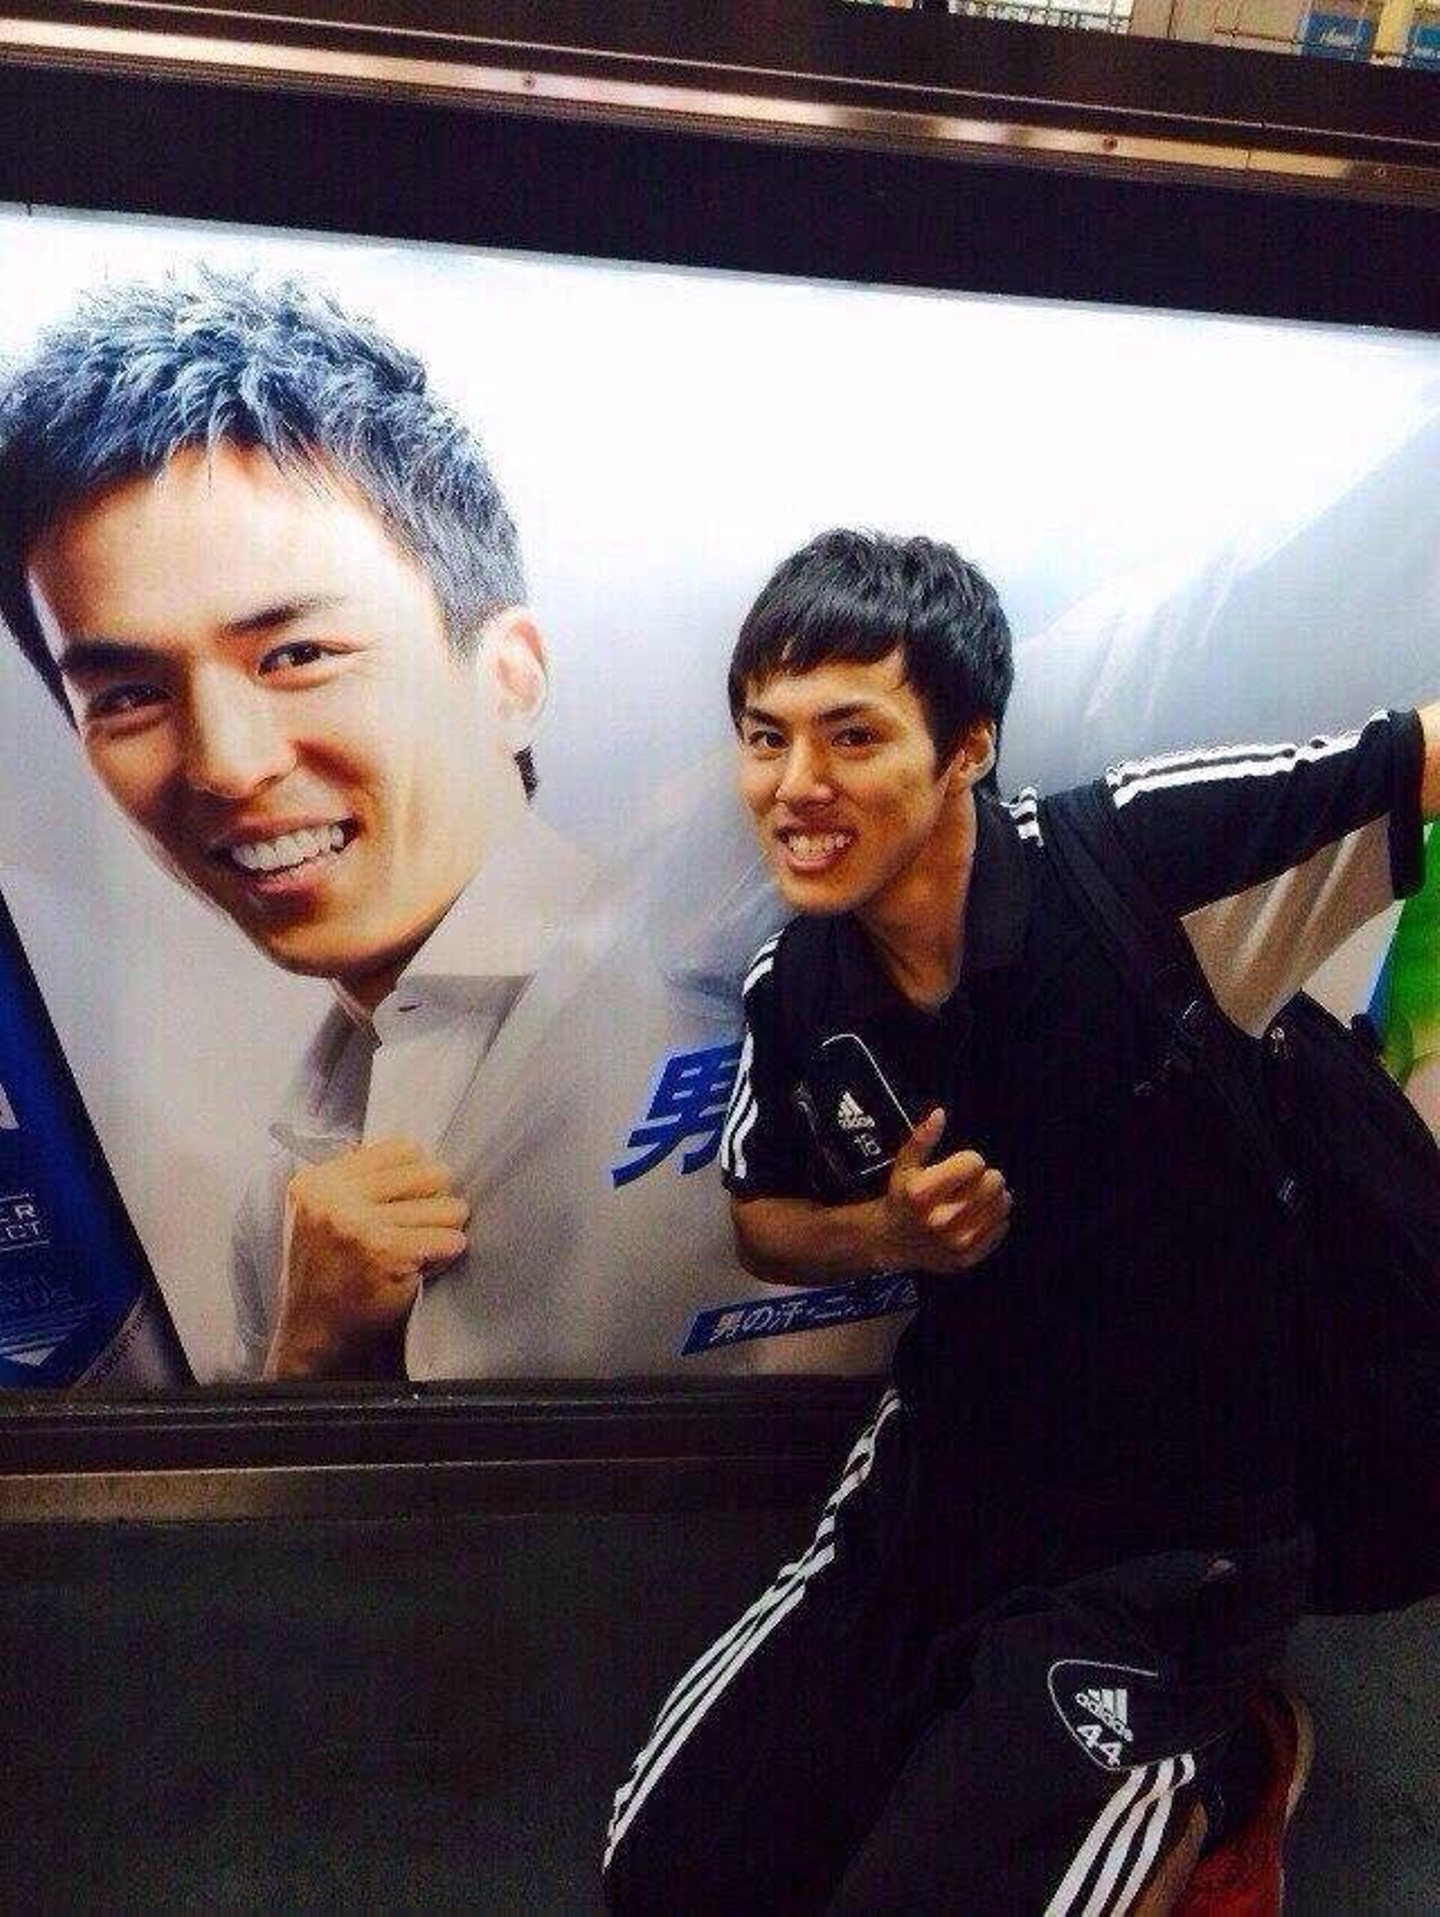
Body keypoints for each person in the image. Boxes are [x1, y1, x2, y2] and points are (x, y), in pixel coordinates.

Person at [603, 528, 1437, 1912]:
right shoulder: (797, 983)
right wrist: (887, 1236)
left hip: (1174, 1528)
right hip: (952, 1476)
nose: (795, 787)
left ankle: (1229, 1760)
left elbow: (1415, 754)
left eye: (852, 735)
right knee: (674, 1877)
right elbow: (763, 1220)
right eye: (766, 737)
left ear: (968, 747)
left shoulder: (1136, 864)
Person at [0, 272, 891, 1382]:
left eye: (297, 655)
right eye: (129, 696)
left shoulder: (749, 989)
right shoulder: (289, 1195)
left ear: (509, 678)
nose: (227, 764)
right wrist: (311, 1359)